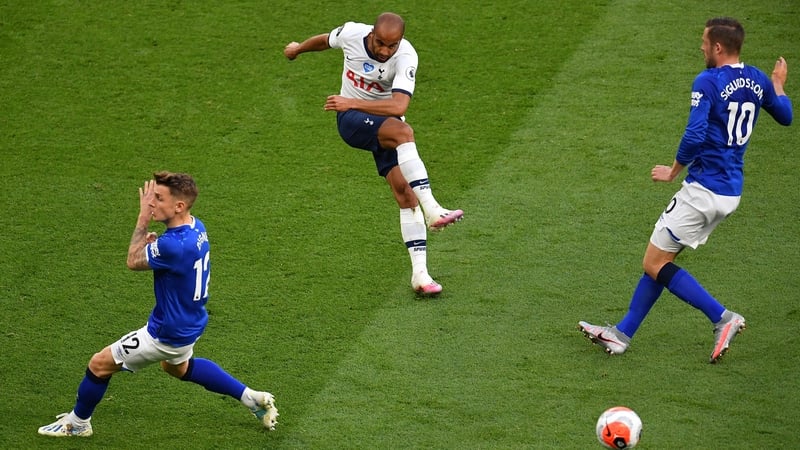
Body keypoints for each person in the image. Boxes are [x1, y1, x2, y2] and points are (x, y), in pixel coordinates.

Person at [579, 17, 792, 363]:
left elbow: (694, 135)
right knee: (662, 259)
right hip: (730, 191)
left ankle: (723, 318)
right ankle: (622, 334)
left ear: (718, 47)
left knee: (653, 261)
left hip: (702, 190)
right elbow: (785, 115)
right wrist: (779, 85)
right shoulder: (757, 78)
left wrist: (673, 171)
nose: (701, 46)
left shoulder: (707, 81)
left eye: (705, 42)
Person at [38, 172, 279, 437]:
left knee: (99, 364)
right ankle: (251, 398)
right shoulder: (196, 227)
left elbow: (133, 261)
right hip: (192, 321)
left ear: (179, 206)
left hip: (166, 331)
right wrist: (155, 245)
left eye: (158, 198)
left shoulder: (172, 246)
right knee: (177, 368)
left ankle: (77, 424)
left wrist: (142, 220)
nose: (151, 202)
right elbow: (170, 258)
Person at [284, 12, 463, 296]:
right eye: (380, 43)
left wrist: (348, 100)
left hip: (382, 122)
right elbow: (326, 40)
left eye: (391, 46)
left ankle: (420, 275)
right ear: (371, 35)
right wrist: (298, 49)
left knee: (405, 193)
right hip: (352, 121)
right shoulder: (353, 33)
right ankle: (433, 209)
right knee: (404, 134)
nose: (384, 51)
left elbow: (398, 106)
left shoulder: (406, 56)